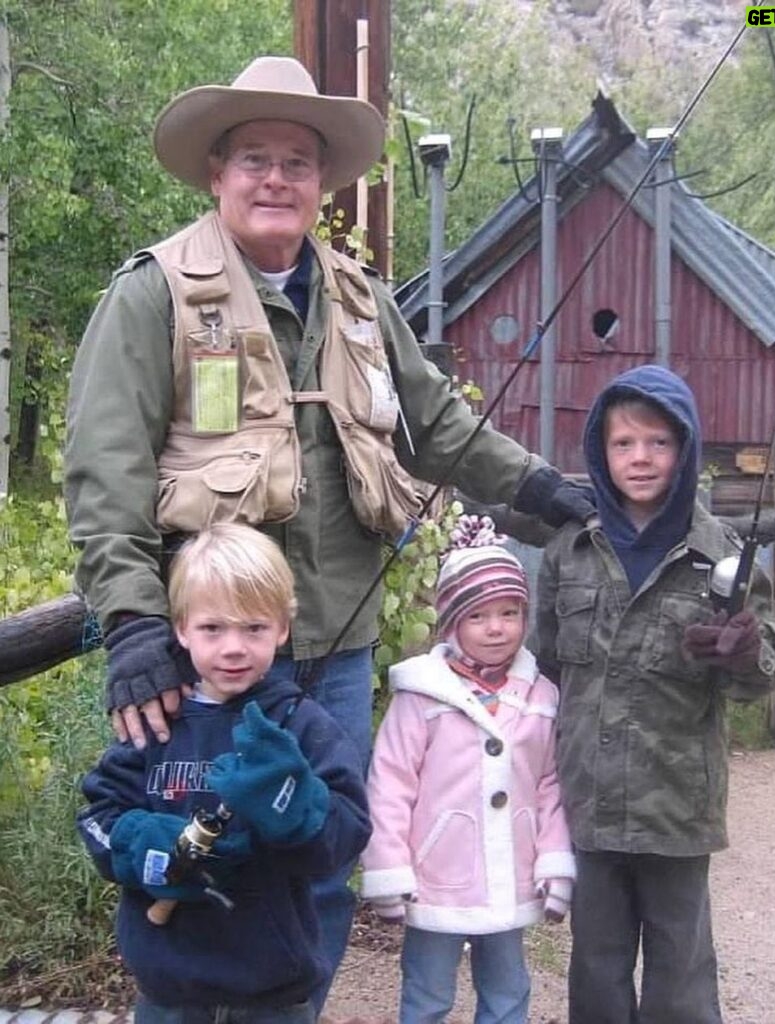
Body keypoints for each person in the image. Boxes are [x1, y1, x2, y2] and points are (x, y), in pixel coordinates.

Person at [63, 55, 587, 1008]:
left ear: (320, 184)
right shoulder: (151, 296)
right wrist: (137, 623)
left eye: (296, 162)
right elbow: (105, 477)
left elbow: (441, 426)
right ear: (216, 174)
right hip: (203, 654)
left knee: (316, 858)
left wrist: (546, 488)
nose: (275, 179)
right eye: (254, 158)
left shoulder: (360, 298)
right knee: (178, 858)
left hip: (335, 648)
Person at [534, 364, 775, 1024]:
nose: (639, 458)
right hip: (587, 799)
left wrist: (742, 651)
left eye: (657, 442)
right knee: (594, 970)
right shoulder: (569, 550)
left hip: (677, 805)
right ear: (599, 450)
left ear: (685, 450)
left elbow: (760, 675)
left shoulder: (720, 555)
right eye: (623, 443)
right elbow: (540, 670)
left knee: (679, 976)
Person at [77, 522, 371, 1024]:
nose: (233, 647)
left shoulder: (300, 725)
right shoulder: (156, 721)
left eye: (254, 628)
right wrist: (147, 847)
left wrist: (293, 804)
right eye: (213, 628)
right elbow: (97, 819)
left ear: (282, 628)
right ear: (181, 629)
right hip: (167, 992)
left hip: (273, 994)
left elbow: (346, 837)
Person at [361, 515, 576, 1024]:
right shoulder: (421, 697)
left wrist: (554, 860)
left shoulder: (540, 696)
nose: (497, 628)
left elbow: (551, 785)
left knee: (507, 991)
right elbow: (390, 783)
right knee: (428, 993)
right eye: (479, 616)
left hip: (511, 874)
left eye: (509, 612)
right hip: (435, 876)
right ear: (452, 622)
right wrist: (389, 866)